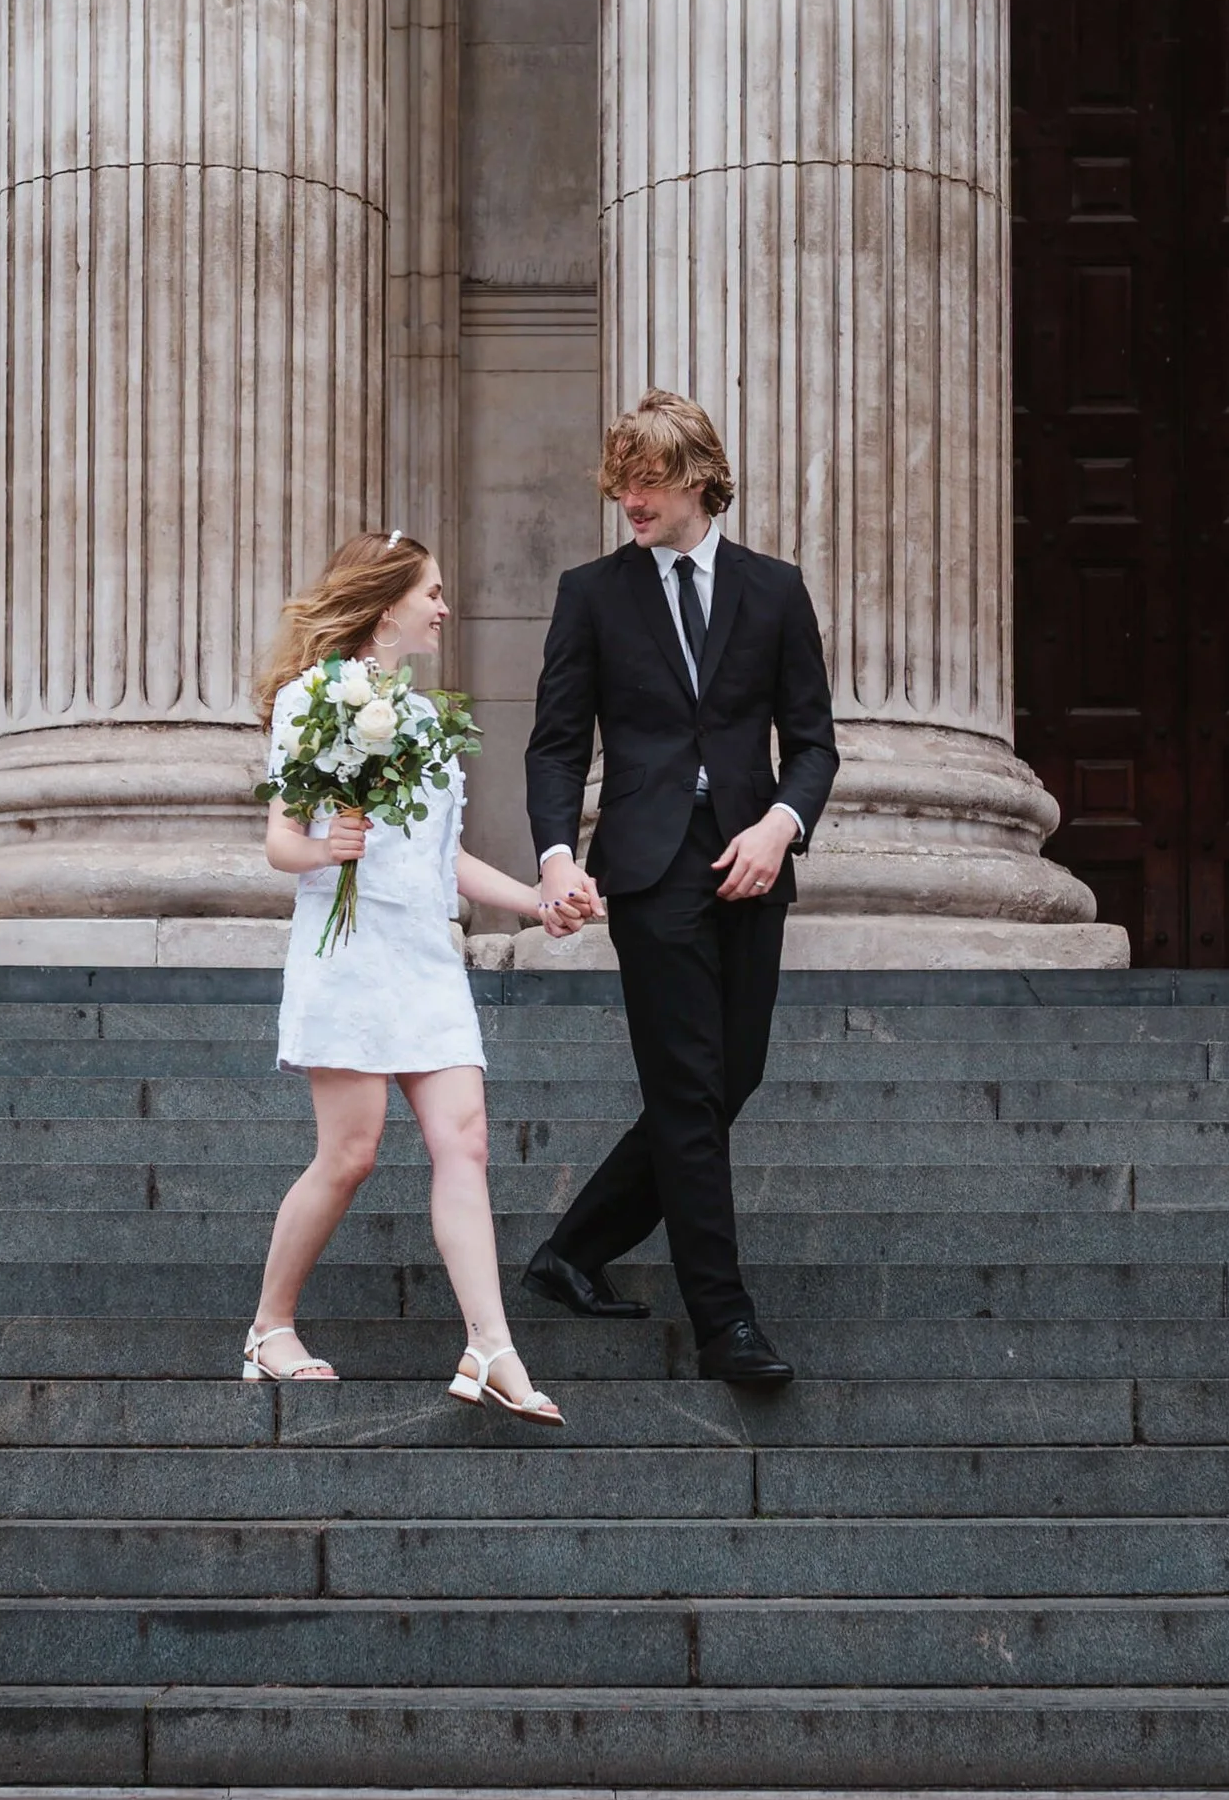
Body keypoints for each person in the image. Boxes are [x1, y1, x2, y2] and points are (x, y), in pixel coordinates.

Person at [521, 392, 838, 1388]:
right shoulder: (592, 592)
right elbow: (557, 742)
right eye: (619, 479)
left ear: (699, 472)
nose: (629, 497)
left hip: (751, 860)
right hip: (648, 867)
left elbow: (814, 742)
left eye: (646, 477)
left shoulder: (775, 590)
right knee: (689, 1088)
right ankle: (724, 1321)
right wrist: (556, 855)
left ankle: (572, 1247)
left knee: (724, 1079)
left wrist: (780, 825)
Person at [247, 531, 571, 1420]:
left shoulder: (427, 722)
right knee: (349, 1154)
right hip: (346, 953)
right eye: (431, 591)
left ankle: (491, 1345)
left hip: (427, 955)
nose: (443, 605)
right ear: (385, 602)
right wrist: (325, 845)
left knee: (462, 1141)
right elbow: (281, 842)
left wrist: (538, 902)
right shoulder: (312, 700)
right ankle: (271, 1326)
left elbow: (447, 858)